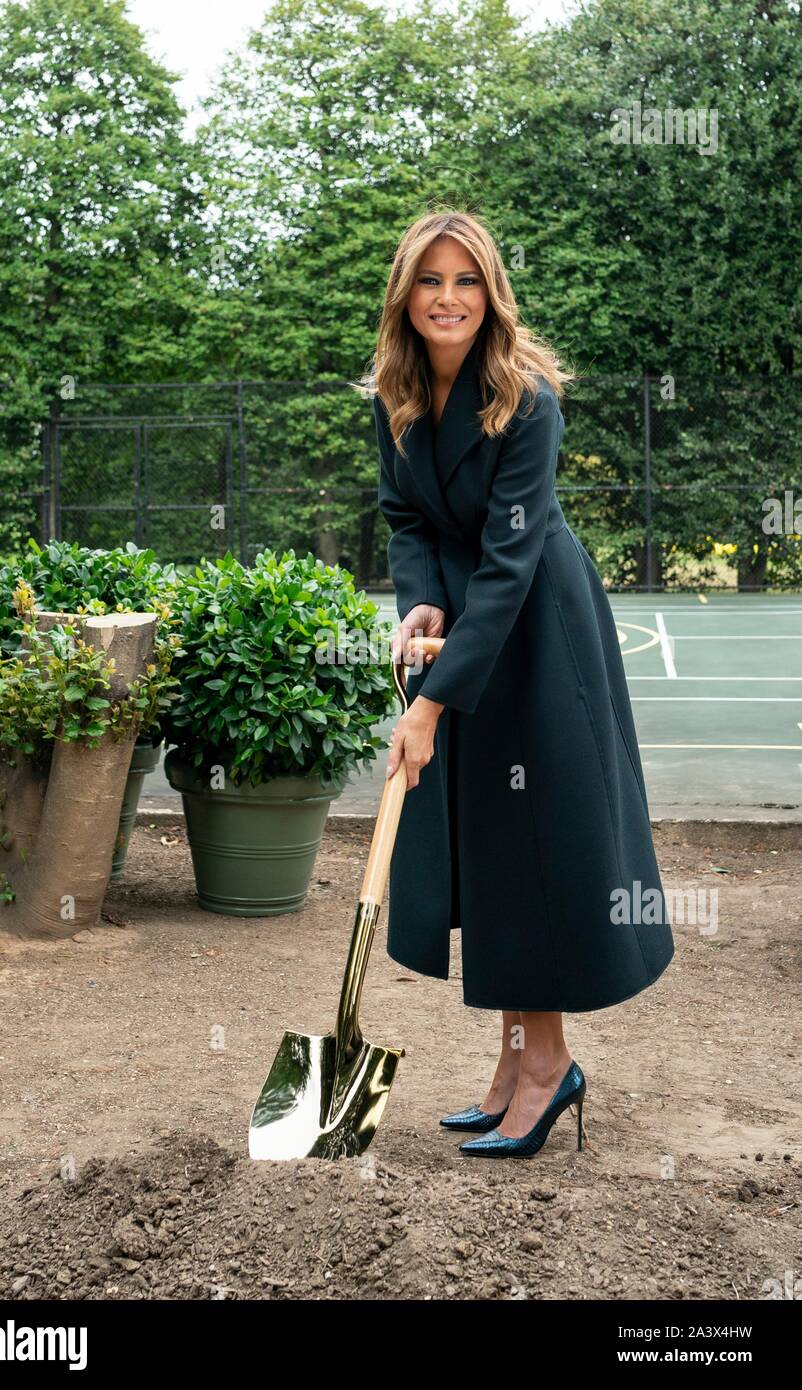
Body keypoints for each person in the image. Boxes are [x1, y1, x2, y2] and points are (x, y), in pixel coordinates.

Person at [361, 210, 674, 1159]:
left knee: (537, 846)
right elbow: (404, 518)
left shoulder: (525, 397)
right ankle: (511, 1067)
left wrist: (428, 705)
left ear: (489, 291)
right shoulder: (393, 393)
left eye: (465, 281)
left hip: (537, 630)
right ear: (405, 296)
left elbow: (509, 564)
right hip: (461, 627)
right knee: (491, 848)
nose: (448, 299)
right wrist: (418, 606)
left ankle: (548, 1068)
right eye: (429, 281)